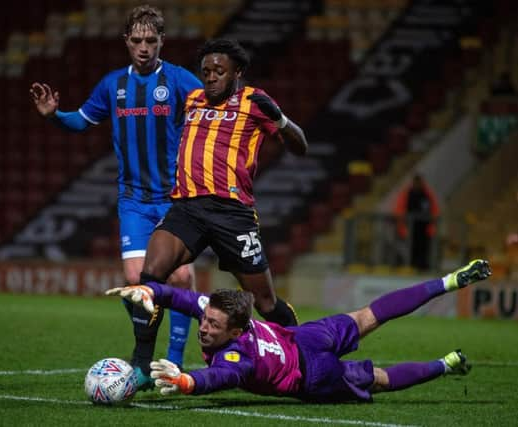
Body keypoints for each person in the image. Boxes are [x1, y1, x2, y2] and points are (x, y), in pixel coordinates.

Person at [29, 5, 202, 388]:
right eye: (137, 40)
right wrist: (55, 115)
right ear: (126, 41)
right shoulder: (113, 86)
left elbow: (211, 110)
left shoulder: (179, 80)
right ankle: (144, 357)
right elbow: (81, 121)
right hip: (134, 199)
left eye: (151, 41)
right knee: (133, 280)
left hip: (175, 198)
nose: (144, 47)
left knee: (182, 274)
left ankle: (171, 362)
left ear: (162, 42)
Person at [107, 259, 491, 401]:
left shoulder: (237, 356)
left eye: (213, 325)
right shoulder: (228, 315)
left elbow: (220, 377)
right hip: (306, 338)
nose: (203, 328)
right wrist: (149, 289)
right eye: (205, 320)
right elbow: (179, 298)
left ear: (238, 329)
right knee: (369, 314)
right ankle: (448, 281)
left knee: (380, 379)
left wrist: (187, 382)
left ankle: (446, 364)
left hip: (313, 375)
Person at [137, 38, 308, 338]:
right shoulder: (193, 101)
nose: (212, 77)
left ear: (237, 72)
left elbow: (300, 147)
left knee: (266, 304)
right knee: (150, 278)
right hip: (187, 208)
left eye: (219, 71)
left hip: (232, 213)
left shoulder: (255, 101)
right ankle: (141, 363)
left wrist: (279, 119)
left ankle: (304, 350)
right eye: (206, 71)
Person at [394, 174, 440, 270]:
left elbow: (435, 211)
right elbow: (399, 210)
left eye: (419, 183)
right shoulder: (407, 194)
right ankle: (409, 266)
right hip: (410, 229)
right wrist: (402, 227)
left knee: (424, 251)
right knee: (410, 251)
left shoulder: (427, 195)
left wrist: (432, 227)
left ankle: (423, 267)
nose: (417, 185)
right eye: (416, 183)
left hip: (424, 230)